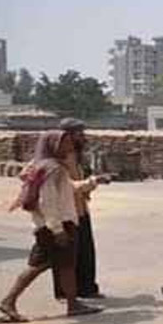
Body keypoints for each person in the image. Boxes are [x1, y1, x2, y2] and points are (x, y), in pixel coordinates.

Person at [0, 131, 104, 321]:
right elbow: (48, 202)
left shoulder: (49, 166)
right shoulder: (52, 169)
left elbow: (70, 188)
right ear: (53, 145)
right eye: (65, 143)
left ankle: (71, 304)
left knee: (55, 265)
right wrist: (57, 230)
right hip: (57, 226)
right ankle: (10, 301)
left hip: (51, 226)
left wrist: (93, 182)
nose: (70, 147)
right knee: (49, 266)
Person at [52, 118, 108, 300]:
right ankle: (67, 293)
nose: (83, 137)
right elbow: (69, 186)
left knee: (84, 253)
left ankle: (85, 288)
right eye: (79, 134)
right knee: (66, 256)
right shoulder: (56, 156)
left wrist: (91, 183)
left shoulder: (75, 154)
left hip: (80, 209)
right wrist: (92, 182)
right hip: (66, 213)